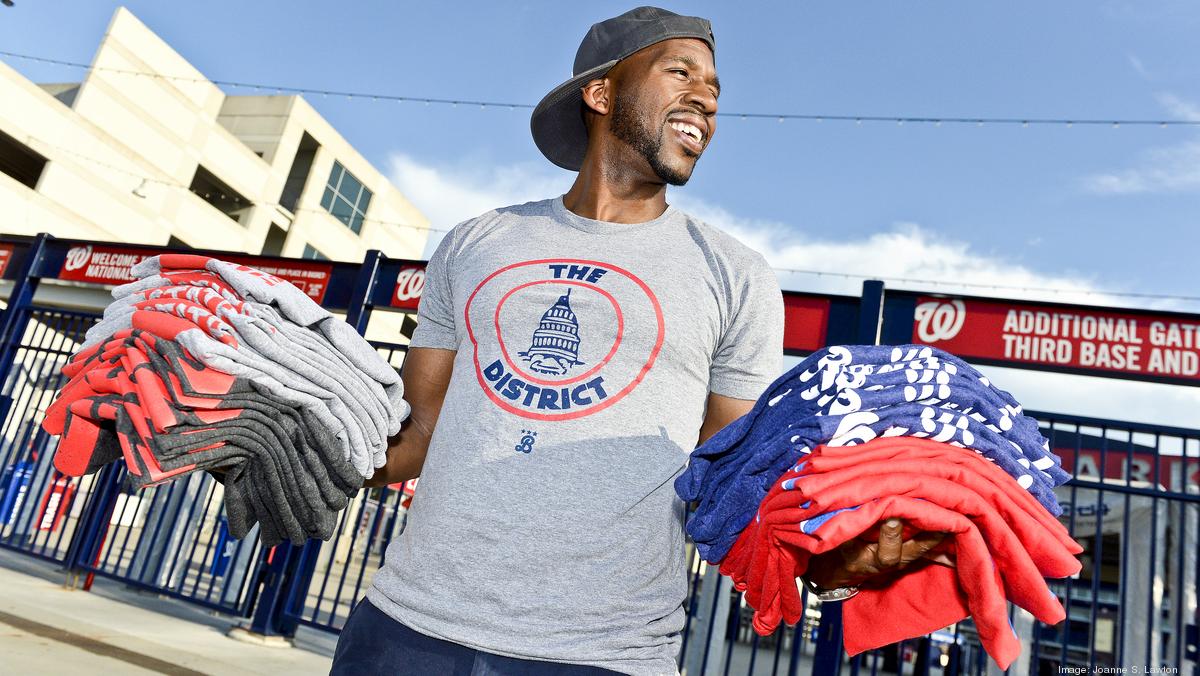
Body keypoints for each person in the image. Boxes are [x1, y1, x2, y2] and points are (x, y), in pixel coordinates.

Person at [331, 7, 944, 675]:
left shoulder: (735, 275)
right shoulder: (477, 242)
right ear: (601, 93)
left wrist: (830, 558)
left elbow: (731, 482)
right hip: (403, 632)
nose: (706, 99)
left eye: (714, 89)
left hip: (604, 657)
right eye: (680, 72)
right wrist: (282, 449)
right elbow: (417, 433)